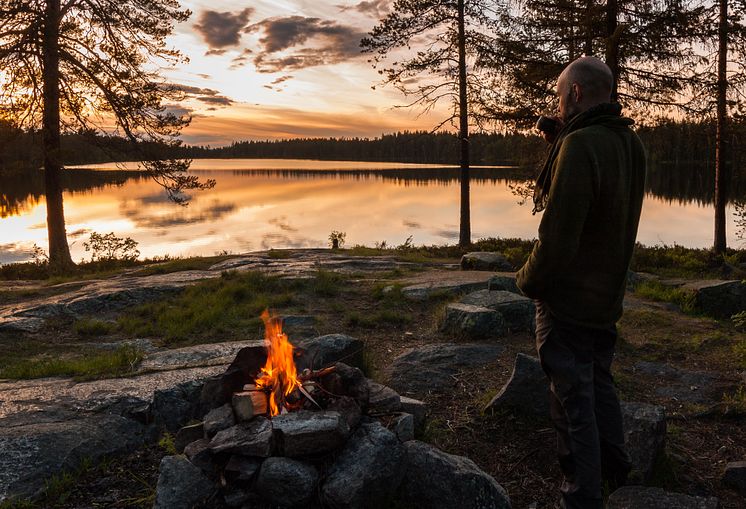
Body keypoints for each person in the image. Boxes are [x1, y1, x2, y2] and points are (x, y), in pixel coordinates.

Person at [515, 56, 646, 509]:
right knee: (599, 384)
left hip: (567, 301)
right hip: (606, 297)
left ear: (574, 94)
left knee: (572, 404)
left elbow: (558, 239)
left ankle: (581, 498)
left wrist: (528, 281)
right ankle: (616, 472)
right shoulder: (629, 142)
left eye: (559, 95)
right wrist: (562, 140)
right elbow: (604, 205)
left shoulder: (582, 145)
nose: (557, 103)